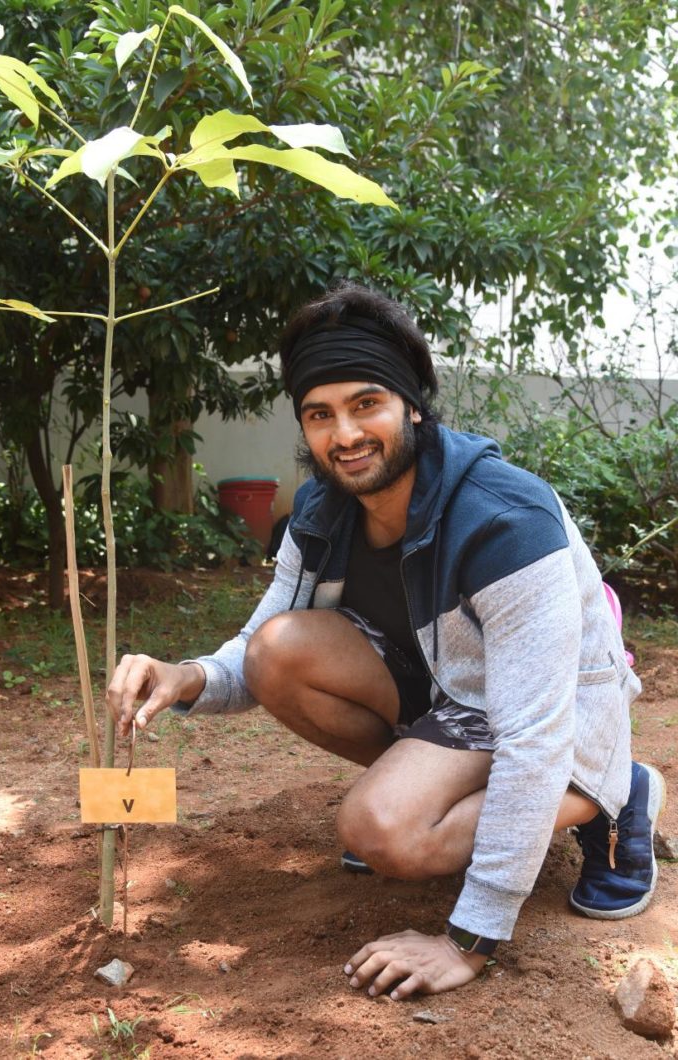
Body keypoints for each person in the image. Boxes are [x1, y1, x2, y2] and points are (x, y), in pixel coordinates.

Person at [107, 282, 666, 999]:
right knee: (277, 650)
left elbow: (534, 730)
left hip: (554, 714)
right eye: (320, 414)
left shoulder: (505, 520)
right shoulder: (321, 510)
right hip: (452, 703)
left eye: (365, 404)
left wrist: (470, 940)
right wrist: (183, 676)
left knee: (382, 831)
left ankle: (611, 785)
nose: (344, 436)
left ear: (412, 404)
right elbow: (256, 645)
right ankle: (435, 804)